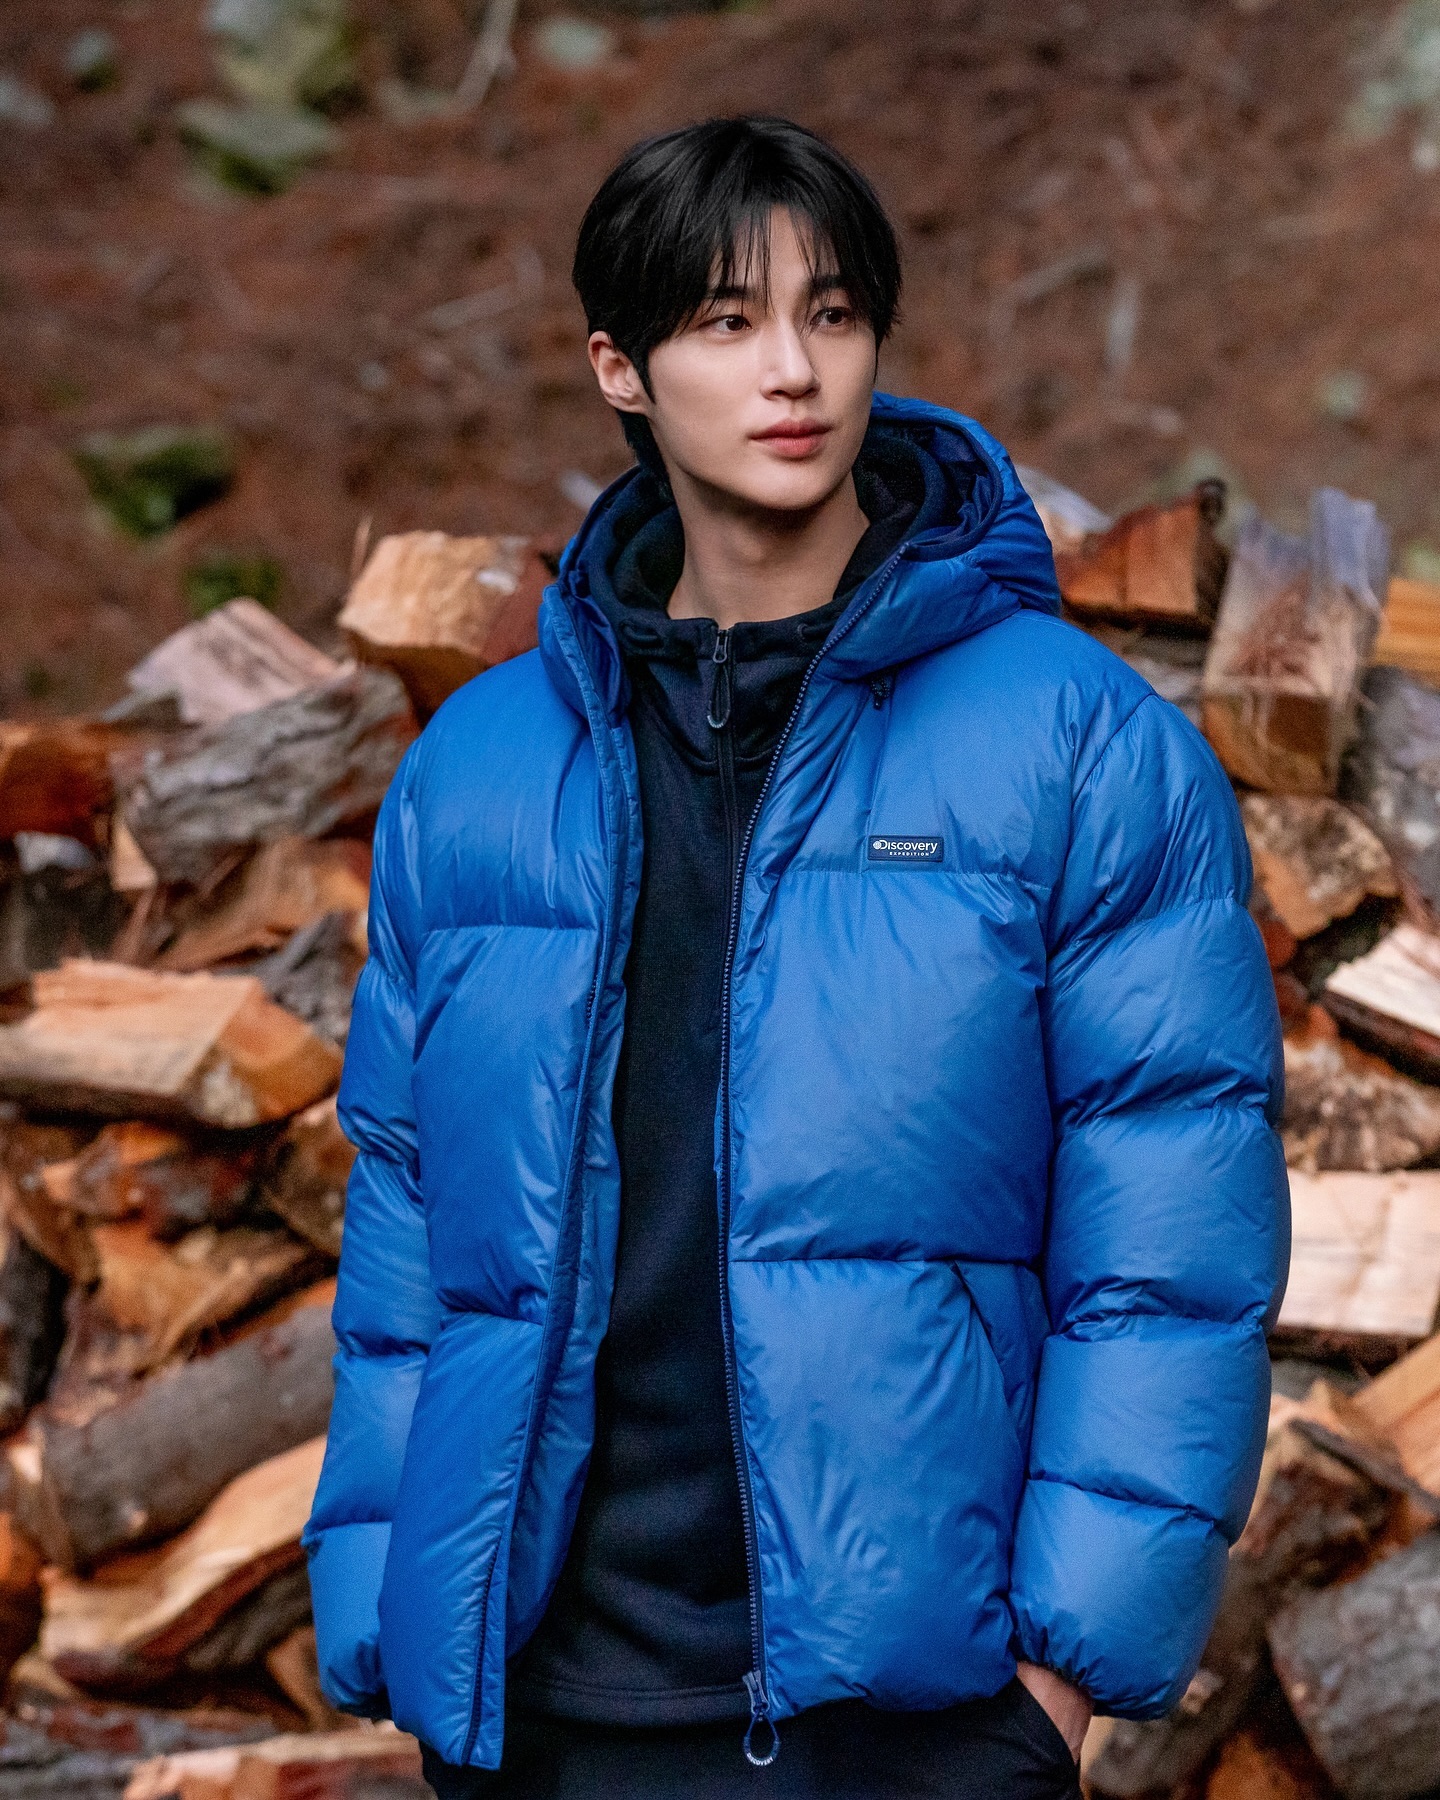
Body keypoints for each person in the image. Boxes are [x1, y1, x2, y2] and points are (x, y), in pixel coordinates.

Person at [301, 116, 1289, 1800]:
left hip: (909, 1726)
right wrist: (398, 1627)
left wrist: (1054, 1690)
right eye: (726, 320)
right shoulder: (477, 773)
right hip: (546, 1718)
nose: (793, 371)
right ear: (619, 367)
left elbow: (1172, 1244)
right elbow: (408, 1238)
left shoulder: (1078, 745)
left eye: (832, 314)